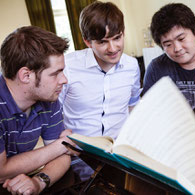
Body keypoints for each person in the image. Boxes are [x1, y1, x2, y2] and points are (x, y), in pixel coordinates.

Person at [58, 1, 141, 184]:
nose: (112, 48)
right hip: (78, 160)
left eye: (117, 38)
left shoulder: (132, 66)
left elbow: (133, 106)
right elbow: (53, 115)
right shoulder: (68, 66)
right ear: (88, 42)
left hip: (120, 159)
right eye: (103, 42)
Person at [0, 26, 75, 194]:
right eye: (56, 73)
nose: (64, 80)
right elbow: (1, 171)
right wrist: (61, 146)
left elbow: (63, 157)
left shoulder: (48, 98)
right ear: (26, 76)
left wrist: (39, 182)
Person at [142, 3, 195, 109]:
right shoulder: (156, 69)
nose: (177, 48)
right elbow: (148, 111)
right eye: (168, 44)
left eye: (181, 39)